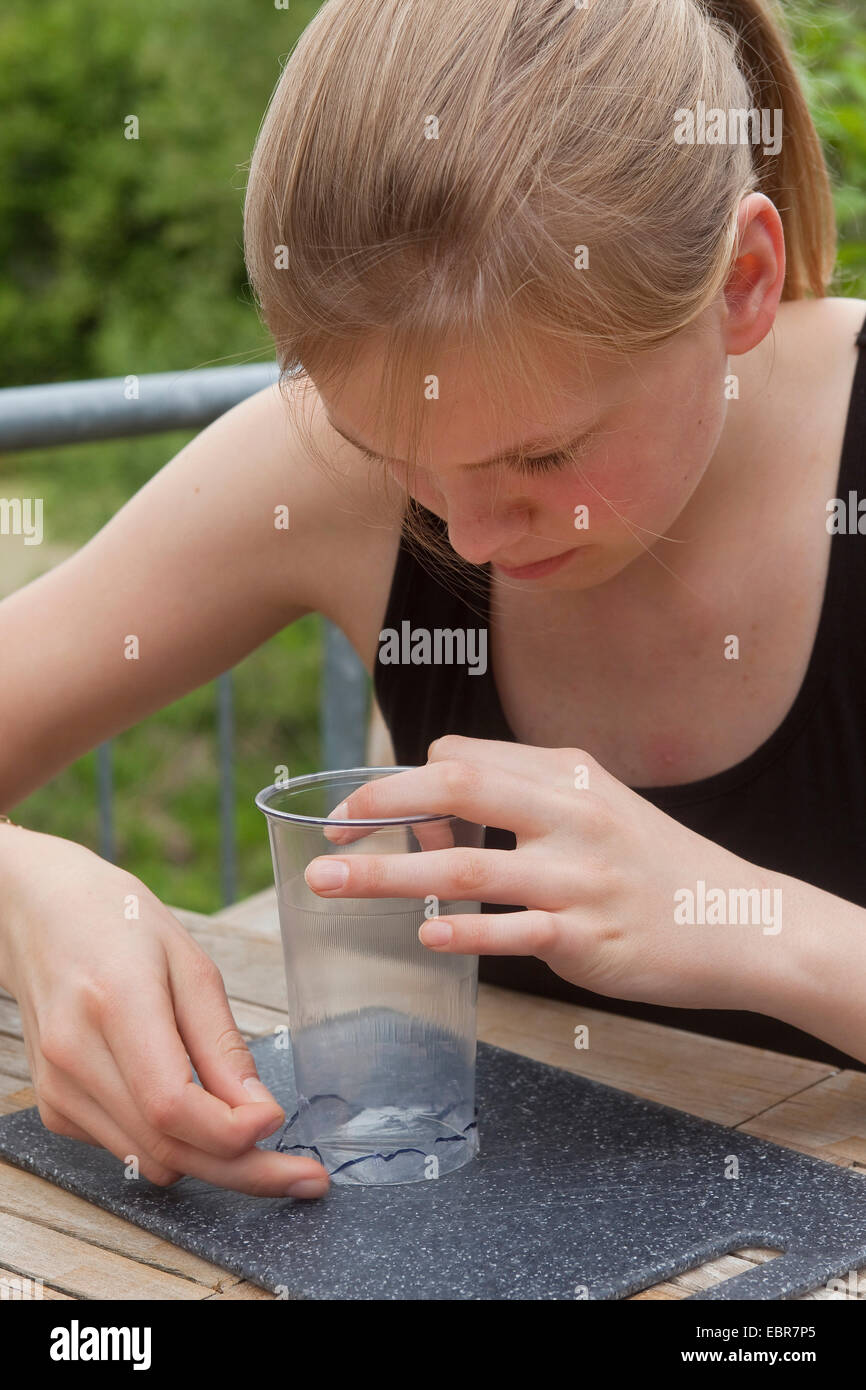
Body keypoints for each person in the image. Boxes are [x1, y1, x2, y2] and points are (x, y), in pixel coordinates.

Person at [2, 0, 864, 1200]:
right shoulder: (322, 475)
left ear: (742, 283)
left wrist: (765, 927)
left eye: (542, 456)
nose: (463, 531)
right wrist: (26, 892)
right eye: (388, 445)